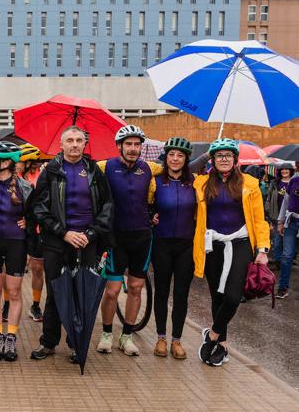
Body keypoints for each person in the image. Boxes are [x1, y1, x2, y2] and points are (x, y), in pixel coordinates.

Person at [29, 126, 113, 362]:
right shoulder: (51, 172)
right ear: (61, 145)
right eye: (70, 140)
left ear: (84, 144)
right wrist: (63, 232)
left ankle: (76, 343)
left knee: (82, 293)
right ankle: (48, 342)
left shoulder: (94, 170)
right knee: (56, 292)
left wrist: (91, 233)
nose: (75, 144)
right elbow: (39, 208)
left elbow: (107, 206)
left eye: (79, 140)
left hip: (88, 242)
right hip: (57, 242)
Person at [194, 138, 270, 366]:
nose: (224, 159)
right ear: (214, 160)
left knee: (233, 296)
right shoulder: (202, 183)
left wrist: (263, 248)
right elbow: (184, 171)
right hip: (212, 245)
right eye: (219, 155)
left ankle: (213, 335)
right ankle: (223, 346)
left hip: (240, 243)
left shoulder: (250, 184)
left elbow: (259, 219)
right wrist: (205, 155)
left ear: (235, 160)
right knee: (217, 296)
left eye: (228, 155)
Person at [95, 125, 163, 357]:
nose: (133, 149)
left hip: (143, 236)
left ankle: (126, 336)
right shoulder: (106, 166)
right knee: (112, 291)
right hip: (116, 238)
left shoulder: (149, 168)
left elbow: (178, 169)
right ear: (119, 146)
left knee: (135, 288)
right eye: (128, 144)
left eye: (137, 144)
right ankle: (106, 334)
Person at [0, 141, 32, 361]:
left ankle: (11, 339)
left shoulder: (25, 187)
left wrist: (28, 221)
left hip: (16, 243)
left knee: (15, 293)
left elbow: (37, 212)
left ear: (6, 162)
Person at [150, 138, 196, 359]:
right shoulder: (155, 181)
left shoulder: (195, 183)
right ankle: (160, 337)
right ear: (166, 157)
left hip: (187, 245)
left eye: (180, 155)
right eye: (171, 155)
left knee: (181, 294)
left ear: (186, 159)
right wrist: (151, 216)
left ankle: (177, 340)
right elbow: (144, 205)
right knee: (161, 292)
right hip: (162, 243)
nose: (175, 159)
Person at [17, 143, 49, 322]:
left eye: (20, 161)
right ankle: (11, 305)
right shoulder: (15, 177)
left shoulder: (43, 176)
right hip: (21, 227)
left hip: (38, 229)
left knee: (39, 268)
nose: (16, 163)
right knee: (16, 268)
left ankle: (36, 305)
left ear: (29, 162)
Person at [266, 163, 294, 271]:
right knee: (277, 241)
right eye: (282, 169)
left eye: (287, 169)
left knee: (289, 241)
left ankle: (287, 261)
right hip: (276, 216)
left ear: (291, 171)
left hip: (291, 217)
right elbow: (268, 199)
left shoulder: (295, 182)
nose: (284, 171)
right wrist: (268, 216)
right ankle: (278, 261)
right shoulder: (274, 183)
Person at [276, 170, 299, 299]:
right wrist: (280, 222)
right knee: (286, 255)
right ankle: (283, 288)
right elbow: (286, 202)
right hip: (291, 222)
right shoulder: (294, 180)